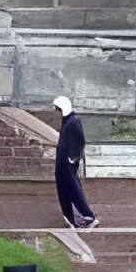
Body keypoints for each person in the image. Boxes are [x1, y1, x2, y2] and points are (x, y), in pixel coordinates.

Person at [51, 93, 97, 228]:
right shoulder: (68, 121)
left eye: (59, 109)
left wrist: (72, 158)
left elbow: (79, 141)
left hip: (67, 164)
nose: (58, 112)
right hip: (62, 164)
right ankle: (70, 218)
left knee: (73, 189)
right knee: (64, 190)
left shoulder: (73, 121)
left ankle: (87, 216)